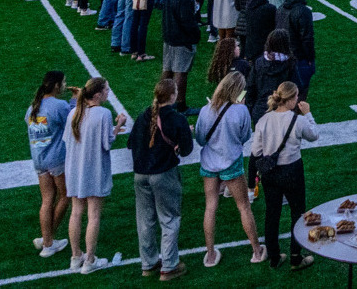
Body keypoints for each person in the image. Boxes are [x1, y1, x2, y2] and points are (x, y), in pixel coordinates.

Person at [196, 71, 264, 266]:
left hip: (209, 163)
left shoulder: (205, 110)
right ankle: (257, 251)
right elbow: (245, 137)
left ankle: (210, 255)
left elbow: (200, 140)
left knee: (210, 207)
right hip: (231, 162)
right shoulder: (241, 111)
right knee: (243, 207)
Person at [63, 77, 128, 274]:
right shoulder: (103, 114)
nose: (109, 92)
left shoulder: (73, 113)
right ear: (98, 94)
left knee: (76, 212)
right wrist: (119, 125)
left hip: (74, 170)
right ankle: (90, 260)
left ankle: (76, 256)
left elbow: (67, 140)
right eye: (107, 90)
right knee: (93, 215)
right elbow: (107, 143)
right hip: (95, 170)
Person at [252, 81, 319, 269]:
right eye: (296, 96)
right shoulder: (297, 120)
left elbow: (256, 151)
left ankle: (274, 256)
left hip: (271, 173)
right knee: (298, 213)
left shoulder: (264, 120)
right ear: (290, 99)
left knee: (272, 213)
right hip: (292, 170)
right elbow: (314, 135)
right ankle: (296, 257)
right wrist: (308, 114)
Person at [131, 78, 193, 281]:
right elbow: (187, 150)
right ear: (173, 96)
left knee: (145, 220)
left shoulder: (143, 116)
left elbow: (131, 143)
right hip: (163, 173)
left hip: (140, 174)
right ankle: (169, 265)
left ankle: (148, 264)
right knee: (169, 219)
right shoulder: (177, 119)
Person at [25, 71, 73, 259]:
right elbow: (73, 121)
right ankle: (48, 241)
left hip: (39, 159)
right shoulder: (59, 105)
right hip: (56, 159)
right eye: (63, 82)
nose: (65, 85)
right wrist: (76, 101)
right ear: (56, 86)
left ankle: (47, 240)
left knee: (47, 200)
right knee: (64, 196)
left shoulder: (32, 107)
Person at [161, 0, 202, 111]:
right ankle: (180, 105)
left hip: (169, 36)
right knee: (181, 71)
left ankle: (161, 99)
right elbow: (187, 21)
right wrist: (195, 35)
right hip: (182, 39)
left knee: (167, 69)